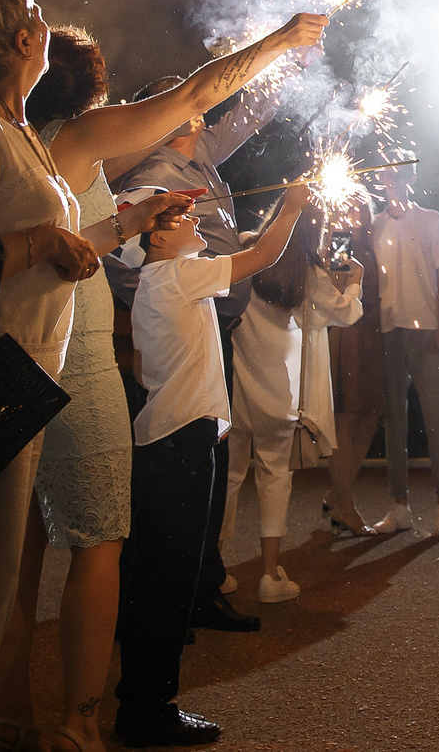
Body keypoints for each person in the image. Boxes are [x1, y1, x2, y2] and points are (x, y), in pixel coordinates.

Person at [0, 0, 323, 752]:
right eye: (36, 13)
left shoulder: (10, 125)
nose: (46, 25)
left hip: (17, 383)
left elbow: (55, 251)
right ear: (22, 39)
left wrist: (122, 229)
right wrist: (40, 240)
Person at [0, 27, 195, 752]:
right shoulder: (77, 132)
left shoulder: (11, 139)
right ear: (92, 85)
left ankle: (5, 717)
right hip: (73, 357)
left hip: (10, 351)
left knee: (16, 554)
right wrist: (276, 44)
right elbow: (191, 97)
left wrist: (131, 220)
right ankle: (78, 720)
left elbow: (68, 234)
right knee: (101, 539)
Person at [116, 178, 307, 746]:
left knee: (162, 578)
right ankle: (148, 710)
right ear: (156, 237)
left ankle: (146, 703)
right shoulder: (176, 276)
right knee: (167, 582)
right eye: (179, 214)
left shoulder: (166, 277)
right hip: (179, 445)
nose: (194, 216)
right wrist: (292, 206)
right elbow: (265, 255)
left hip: (171, 441)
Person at [110, 63, 297, 630]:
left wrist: (285, 69)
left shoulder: (200, 152)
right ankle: (171, 601)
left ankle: (196, 587)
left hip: (213, 315)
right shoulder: (151, 172)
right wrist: (163, 295)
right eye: (176, 102)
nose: (195, 107)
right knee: (191, 466)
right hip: (193, 314)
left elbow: (245, 116)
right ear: (159, 120)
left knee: (211, 455)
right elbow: (124, 255)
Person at [223, 196, 363, 601]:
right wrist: (355, 279)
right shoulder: (309, 271)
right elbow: (344, 313)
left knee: (229, 478)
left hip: (236, 388)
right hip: (279, 393)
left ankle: (214, 569)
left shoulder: (246, 247)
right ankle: (269, 576)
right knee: (274, 478)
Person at [372, 155, 439, 535]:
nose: (389, 180)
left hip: (426, 330)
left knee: (435, 418)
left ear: (408, 177)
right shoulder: (374, 226)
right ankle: (399, 505)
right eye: (384, 174)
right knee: (394, 419)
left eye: (395, 174)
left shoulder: (431, 219)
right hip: (389, 330)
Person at [322, 190, 388, 540]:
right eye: (350, 205)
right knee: (346, 418)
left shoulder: (376, 239)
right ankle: (346, 506)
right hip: (347, 333)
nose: (356, 211)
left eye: (361, 205)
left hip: (373, 333)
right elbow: (336, 293)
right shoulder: (340, 242)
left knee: (370, 416)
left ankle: (337, 494)